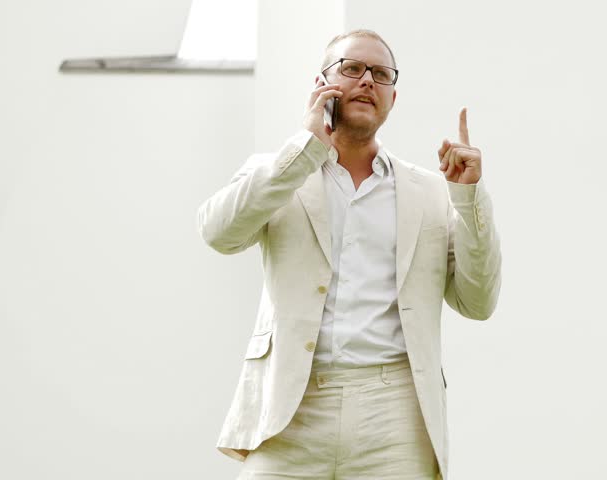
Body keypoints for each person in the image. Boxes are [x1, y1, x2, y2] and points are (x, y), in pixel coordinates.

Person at [197, 29, 501, 480]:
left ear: (392, 99)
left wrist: (468, 196)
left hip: (394, 411)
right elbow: (219, 233)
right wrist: (305, 146)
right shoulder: (277, 170)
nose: (366, 81)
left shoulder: (431, 192)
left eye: (380, 74)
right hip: (290, 407)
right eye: (352, 68)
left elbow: (477, 303)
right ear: (321, 85)